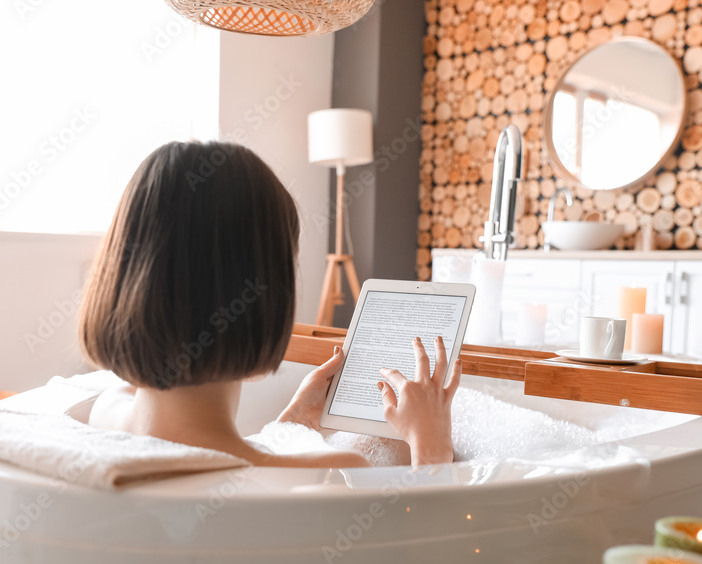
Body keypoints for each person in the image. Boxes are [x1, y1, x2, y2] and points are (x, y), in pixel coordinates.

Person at [77, 140, 460, 468]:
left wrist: (291, 423)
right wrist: (431, 445)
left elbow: (213, 461)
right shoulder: (336, 470)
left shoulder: (104, 413)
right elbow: (419, 542)